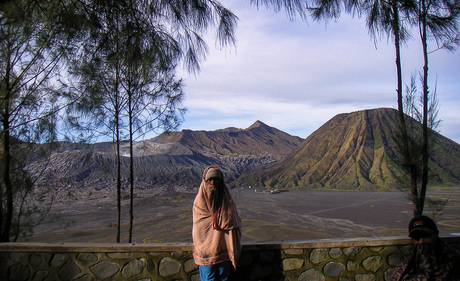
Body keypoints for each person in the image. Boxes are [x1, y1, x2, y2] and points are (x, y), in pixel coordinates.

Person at [192, 166, 242, 281]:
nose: (213, 183)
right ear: (204, 182)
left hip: (223, 251)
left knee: (223, 277)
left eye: (216, 180)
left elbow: (233, 221)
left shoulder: (228, 204)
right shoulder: (199, 205)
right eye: (209, 180)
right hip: (205, 253)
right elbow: (199, 227)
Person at [389, 215, 460, 280]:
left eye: (425, 236)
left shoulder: (452, 260)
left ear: (436, 234)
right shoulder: (406, 265)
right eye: (416, 237)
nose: (421, 241)